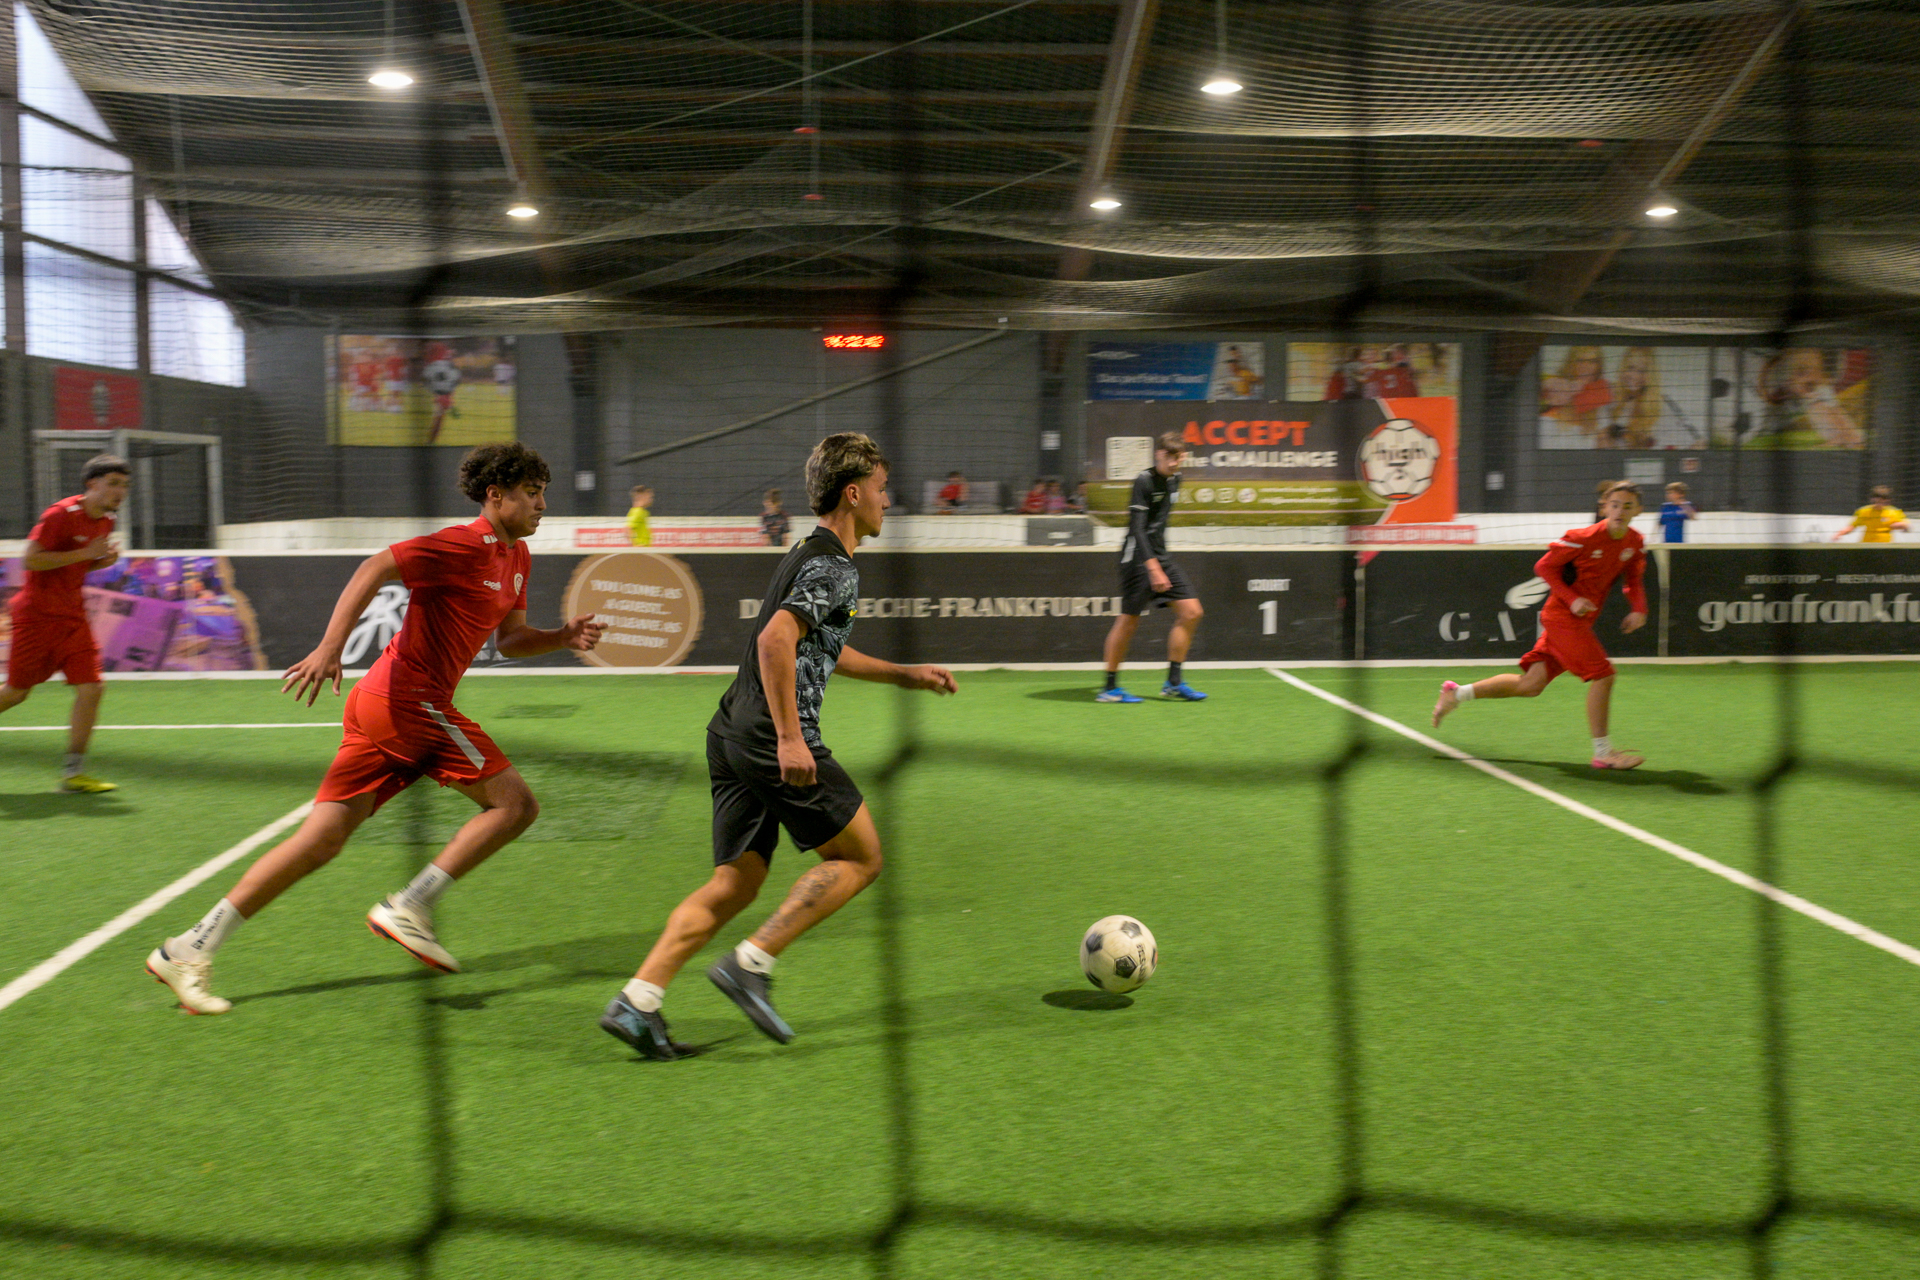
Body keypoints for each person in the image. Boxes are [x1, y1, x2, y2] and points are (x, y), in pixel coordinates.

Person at [144, 443, 605, 1015]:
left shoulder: (517, 558)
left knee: (320, 841)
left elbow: (510, 640)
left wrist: (562, 637)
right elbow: (374, 567)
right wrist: (330, 647)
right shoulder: (464, 544)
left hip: (386, 705)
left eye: (543, 494)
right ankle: (410, 905)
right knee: (516, 806)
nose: (542, 505)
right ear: (495, 495)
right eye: (532, 493)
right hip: (408, 701)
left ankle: (189, 947)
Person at [600, 433, 956, 1060]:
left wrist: (905, 675)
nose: (887, 501)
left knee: (735, 884)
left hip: (731, 731)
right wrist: (791, 739)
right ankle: (751, 964)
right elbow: (774, 641)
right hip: (771, 736)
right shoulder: (834, 566)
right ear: (854, 494)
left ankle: (638, 1000)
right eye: (881, 489)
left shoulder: (806, 551)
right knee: (863, 858)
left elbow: (819, 644)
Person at [1432, 481, 1648, 770]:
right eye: (1615, 504)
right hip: (1562, 617)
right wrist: (1572, 599)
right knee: (1604, 675)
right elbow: (1544, 567)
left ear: (1639, 510)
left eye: (1627, 506)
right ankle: (1603, 753)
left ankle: (1455, 693)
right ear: (1604, 507)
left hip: (1580, 621)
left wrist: (1639, 609)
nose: (1620, 511)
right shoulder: (1582, 537)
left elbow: (1633, 579)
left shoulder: (1634, 542)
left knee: (1531, 685)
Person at [0, 454, 129, 792]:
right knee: (15, 694)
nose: (121, 491)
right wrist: (85, 554)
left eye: (125, 485)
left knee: (92, 688)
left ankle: (74, 774)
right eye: (114, 483)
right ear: (92, 484)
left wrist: (101, 562)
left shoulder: (106, 521)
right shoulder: (60, 514)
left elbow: (75, 566)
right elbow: (31, 560)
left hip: (73, 618)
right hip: (37, 617)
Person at [1097, 432, 1206, 703]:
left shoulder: (1176, 479)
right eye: (1170, 456)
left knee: (1192, 612)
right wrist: (1153, 567)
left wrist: (1160, 562)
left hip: (1161, 556)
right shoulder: (1144, 480)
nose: (1174, 462)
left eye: (1179, 457)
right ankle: (1109, 689)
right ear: (1158, 454)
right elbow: (1137, 528)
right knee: (1129, 621)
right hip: (1137, 557)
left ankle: (1173, 683)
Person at [1833, 485, 1908, 543]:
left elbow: (1906, 526)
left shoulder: (1894, 511)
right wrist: (1839, 534)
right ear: (1872, 499)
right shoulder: (1864, 511)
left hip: (1885, 546)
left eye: (1883, 500)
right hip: (1867, 545)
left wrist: (1902, 526)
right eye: (1877, 500)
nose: (1880, 503)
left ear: (1887, 500)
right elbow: (1852, 526)